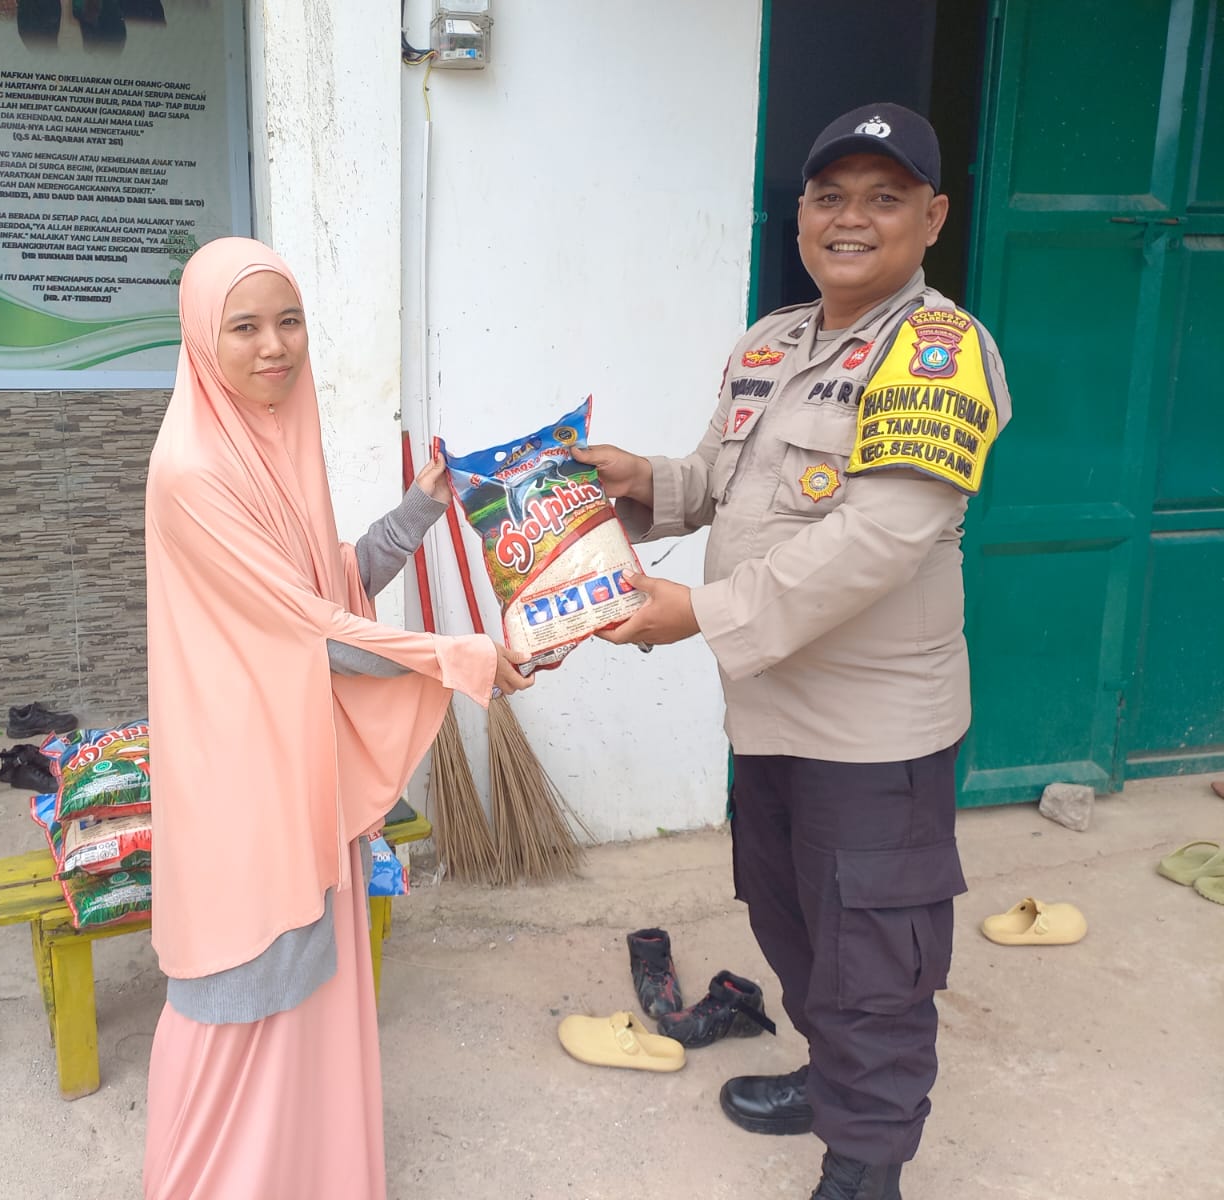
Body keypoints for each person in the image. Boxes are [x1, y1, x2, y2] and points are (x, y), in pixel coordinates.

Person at [576, 104, 1012, 1200]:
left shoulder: (941, 353)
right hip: (769, 711)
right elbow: (721, 482)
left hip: (873, 734)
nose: (849, 219)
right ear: (803, 214)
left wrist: (700, 612)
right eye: (830, 197)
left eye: (883, 198)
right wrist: (641, 482)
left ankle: (865, 1168)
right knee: (791, 919)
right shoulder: (769, 341)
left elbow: (880, 540)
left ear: (932, 219)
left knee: (874, 963)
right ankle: (832, 1081)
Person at [142, 236, 529, 1199]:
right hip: (243, 774)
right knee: (242, 994)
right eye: (244, 327)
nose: (274, 346)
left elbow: (330, 584)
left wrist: (419, 509)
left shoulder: (273, 438)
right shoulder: (195, 469)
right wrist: (462, 658)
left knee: (306, 997)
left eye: (289, 321)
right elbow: (310, 630)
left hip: (295, 755)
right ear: (201, 337)